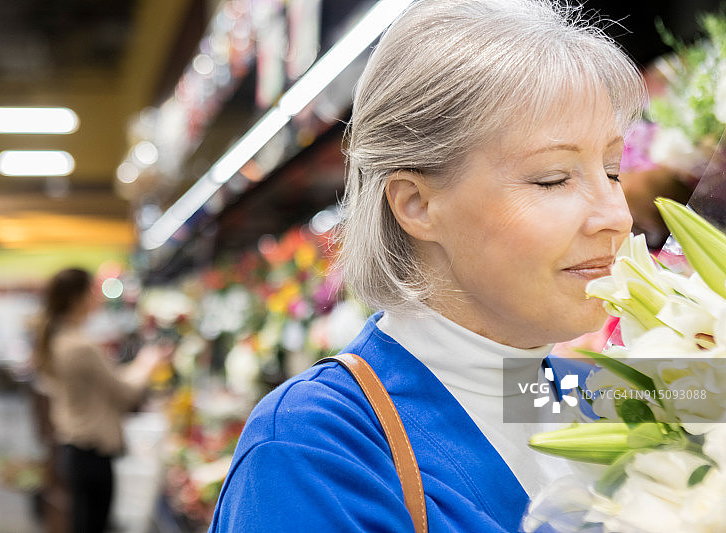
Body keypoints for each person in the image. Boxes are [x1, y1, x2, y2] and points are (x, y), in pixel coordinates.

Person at [209, 0, 644, 531]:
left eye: (613, 171)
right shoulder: (314, 448)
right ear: (416, 204)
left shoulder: (597, 393)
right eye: (552, 178)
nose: (616, 216)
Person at [34, 268, 170, 533]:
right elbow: (124, 392)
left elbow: (109, 385)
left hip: (76, 448)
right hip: (91, 452)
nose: (97, 298)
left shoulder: (58, 339)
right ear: (78, 297)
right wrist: (147, 364)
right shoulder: (80, 346)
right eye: (92, 291)